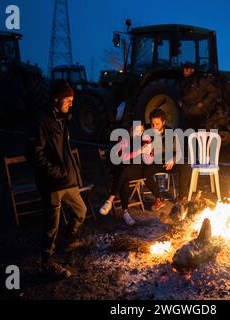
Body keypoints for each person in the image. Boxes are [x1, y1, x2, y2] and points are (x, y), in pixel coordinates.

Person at [27, 79, 87, 280]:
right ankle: (47, 262)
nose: (71, 103)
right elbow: (34, 153)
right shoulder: (41, 121)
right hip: (53, 183)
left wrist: (70, 173)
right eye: (68, 100)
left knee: (81, 211)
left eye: (72, 99)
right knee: (51, 225)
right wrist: (54, 172)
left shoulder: (61, 119)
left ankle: (70, 240)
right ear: (56, 99)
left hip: (67, 180)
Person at [99, 123, 152, 226]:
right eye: (136, 131)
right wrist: (138, 151)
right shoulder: (124, 139)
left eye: (141, 131)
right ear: (131, 130)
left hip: (138, 170)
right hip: (125, 171)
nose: (138, 133)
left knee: (124, 170)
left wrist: (148, 152)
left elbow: (149, 161)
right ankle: (125, 212)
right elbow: (123, 157)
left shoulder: (146, 141)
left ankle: (110, 200)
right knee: (125, 178)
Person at [143, 109, 191, 210]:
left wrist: (173, 160)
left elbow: (179, 152)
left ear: (163, 122)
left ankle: (182, 197)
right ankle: (159, 198)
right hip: (154, 163)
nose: (154, 127)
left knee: (185, 164)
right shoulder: (147, 132)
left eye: (157, 124)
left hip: (168, 163)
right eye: (152, 124)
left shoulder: (171, 133)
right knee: (144, 171)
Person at [178, 62, 218, 129]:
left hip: (198, 113)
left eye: (187, 69)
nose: (184, 71)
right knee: (186, 132)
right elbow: (181, 93)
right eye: (184, 69)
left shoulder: (200, 81)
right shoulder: (183, 81)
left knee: (198, 131)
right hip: (186, 113)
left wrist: (203, 102)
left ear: (192, 70)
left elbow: (214, 92)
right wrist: (180, 102)